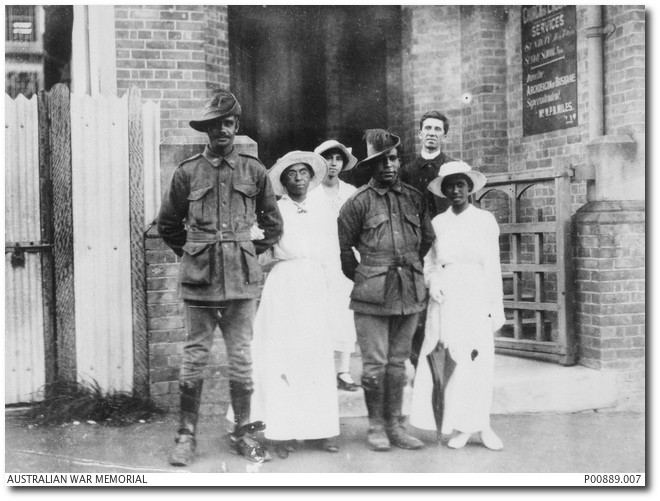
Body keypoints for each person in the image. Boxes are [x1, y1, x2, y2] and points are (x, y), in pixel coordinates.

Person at [157, 89, 283, 466]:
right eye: (214, 126)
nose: (221, 132)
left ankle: (243, 432)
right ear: (206, 131)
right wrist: (196, 251)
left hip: (241, 283)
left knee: (242, 357)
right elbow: (168, 225)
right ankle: (186, 435)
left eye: (227, 124)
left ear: (236, 126)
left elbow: (273, 226)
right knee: (195, 356)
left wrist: (243, 251)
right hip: (200, 282)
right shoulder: (187, 172)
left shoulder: (255, 171)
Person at [337, 129, 434, 452]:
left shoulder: (414, 198)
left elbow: (426, 240)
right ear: (370, 166)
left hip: (409, 289)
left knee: (398, 362)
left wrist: (407, 266)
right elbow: (344, 252)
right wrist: (370, 275)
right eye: (381, 161)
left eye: (393, 159)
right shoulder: (357, 203)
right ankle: (376, 425)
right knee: (374, 363)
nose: (389, 166)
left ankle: (396, 424)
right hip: (372, 294)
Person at [249, 151, 340, 459]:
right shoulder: (274, 210)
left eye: (303, 173)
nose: (299, 178)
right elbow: (260, 248)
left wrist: (332, 293)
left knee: (315, 355)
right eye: (292, 174)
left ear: (310, 177)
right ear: (283, 181)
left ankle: (321, 429)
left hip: (314, 284)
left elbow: (332, 254)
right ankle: (282, 429)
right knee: (284, 356)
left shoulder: (323, 209)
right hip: (285, 285)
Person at [409, 161, 506, 451]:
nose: (455, 190)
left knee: (478, 359)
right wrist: (433, 281)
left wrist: (495, 306)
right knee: (451, 359)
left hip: (476, 292)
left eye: (460, 185)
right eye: (450, 185)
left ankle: (482, 425)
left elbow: (492, 265)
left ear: (469, 188)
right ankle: (458, 426)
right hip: (447, 296)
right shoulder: (438, 223)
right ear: (444, 190)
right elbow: (428, 261)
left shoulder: (485, 220)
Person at [400, 111, 456, 369]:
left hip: (446, 244)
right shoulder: (408, 170)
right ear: (420, 134)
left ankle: (447, 359)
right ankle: (417, 361)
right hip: (417, 245)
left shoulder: (453, 169)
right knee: (418, 301)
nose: (432, 133)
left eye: (437, 129)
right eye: (428, 128)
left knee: (447, 298)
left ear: (444, 134)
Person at [309, 139, 360, 392]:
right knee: (320, 313)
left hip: (344, 259)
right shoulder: (309, 191)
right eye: (328, 158)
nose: (333, 163)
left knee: (344, 313)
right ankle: (321, 369)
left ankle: (343, 370)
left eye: (338, 158)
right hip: (318, 261)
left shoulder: (351, 192)